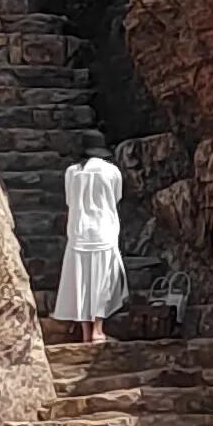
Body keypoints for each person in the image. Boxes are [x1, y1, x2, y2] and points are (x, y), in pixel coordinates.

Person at [53, 148, 126, 345]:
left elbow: (70, 201)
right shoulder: (112, 172)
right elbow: (117, 197)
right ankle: (98, 330)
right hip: (104, 230)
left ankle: (86, 331)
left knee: (81, 282)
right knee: (103, 282)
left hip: (79, 231)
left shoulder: (72, 172)